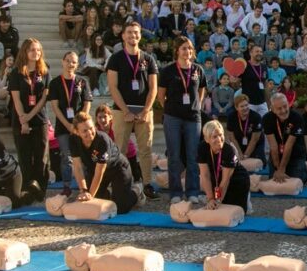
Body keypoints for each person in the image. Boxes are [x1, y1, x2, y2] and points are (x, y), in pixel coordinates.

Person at [106, 21, 158, 200]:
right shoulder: (116, 58)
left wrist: (146, 110)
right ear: (123, 36)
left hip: (144, 111)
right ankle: (119, 183)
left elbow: (153, 88)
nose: (132, 36)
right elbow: (113, 87)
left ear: (140, 36)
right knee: (119, 150)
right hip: (122, 111)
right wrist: (125, 110)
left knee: (145, 149)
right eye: (129, 32)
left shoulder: (148, 58)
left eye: (136, 33)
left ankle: (147, 184)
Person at [158, 37, 206, 202]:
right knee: (174, 156)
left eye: (190, 48)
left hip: (193, 118)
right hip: (173, 117)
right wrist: (170, 109)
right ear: (177, 50)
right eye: (184, 48)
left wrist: (197, 105)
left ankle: (193, 192)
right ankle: (176, 193)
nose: (188, 51)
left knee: (193, 156)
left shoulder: (198, 70)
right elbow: (161, 96)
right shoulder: (168, 70)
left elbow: (201, 90)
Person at [68, 112, 145, 215]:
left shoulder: (102, 140)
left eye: (91, 128)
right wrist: (83, 191)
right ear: (77, 132)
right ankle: (109, 194)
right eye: (84, 131)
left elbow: (100, 171)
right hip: (93, 168)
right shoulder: (73, 139)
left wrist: (90, 196)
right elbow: (77, 167)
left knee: (121, 208)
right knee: (100, 202)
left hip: (117, 168)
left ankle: (137, 190)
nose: (90, 133)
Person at [8, 38, 50, 196]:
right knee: (24, 156)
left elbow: (44, 97)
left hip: (39, 119)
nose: (36, 53)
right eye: (32, 50)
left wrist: (30, 116)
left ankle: (40, 189)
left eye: (38, 50)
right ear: (25, 52)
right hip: (20, 119)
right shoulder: (16, 72)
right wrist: (23, 119)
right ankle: (27, 188)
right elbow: (16, 98)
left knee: (41, 157)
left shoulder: (45, 71)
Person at [49, 51, 92, 192]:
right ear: (62, 61)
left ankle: (85, 186)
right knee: (66, 157)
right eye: (68, 61)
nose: (70, 64)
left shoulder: (82, 81)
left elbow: (87, 103)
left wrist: (79, 124)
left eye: (73, 62)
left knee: (83, 156)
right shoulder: (55, 83)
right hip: (63, 126)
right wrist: (68, 125)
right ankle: (66, 186)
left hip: (80, 127)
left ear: (77, 64)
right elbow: (55, 107)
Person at [198, 118, 251, 211]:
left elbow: (226, 180)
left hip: (237, 180)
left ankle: (246, 199)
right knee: (214, 206)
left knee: (235, 210)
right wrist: (210, 199)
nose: (219, 139)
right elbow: (205, 175)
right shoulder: (202, 148)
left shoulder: (230, 150)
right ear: (207, 139)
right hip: (217, 178)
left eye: (220, 135)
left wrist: (218, 201)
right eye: (214, 136)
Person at [263, 92, 307, 184]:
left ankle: (303, 170)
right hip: (277, 155)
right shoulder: (267, 118)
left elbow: (288, 146)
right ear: (273, 109)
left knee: (297, 179)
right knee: (275, 180)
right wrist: (277, 169)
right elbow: (273, 146)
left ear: (288, 104)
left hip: (295, 154)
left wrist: (282, 169)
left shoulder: (297, 118)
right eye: (279, 108)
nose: (283, 110)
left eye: (285, 106)